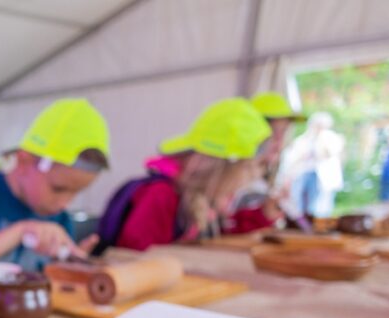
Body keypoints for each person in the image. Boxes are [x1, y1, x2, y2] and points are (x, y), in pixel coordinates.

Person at [0, 99, 110, 286]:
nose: (65, 203)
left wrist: (73, 264)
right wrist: (20, 231)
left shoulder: (58, 218)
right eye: (58, 188)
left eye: (76, 192)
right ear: (24, 161)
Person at [94, 98, 271, 253]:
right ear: (220, 169)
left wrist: (263, 214)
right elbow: (134, 257)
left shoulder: (201, 199)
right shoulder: (161, 196)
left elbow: (224, 231)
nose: (252, 177)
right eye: (249, 168)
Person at [225, 91, 307, 234]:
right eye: (273, 132)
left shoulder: (265, 173)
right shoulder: (232, 175)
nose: (279, 141)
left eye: (284, 132)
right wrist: (262, 215)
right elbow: (224, 228)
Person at [278, 111, 345, 218]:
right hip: (303, 175)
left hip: (322, 179)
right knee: (300, 205)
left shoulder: (330, 138)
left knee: (319, 206)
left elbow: (330, 154)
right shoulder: (304, 139)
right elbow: (293, 158)